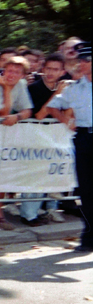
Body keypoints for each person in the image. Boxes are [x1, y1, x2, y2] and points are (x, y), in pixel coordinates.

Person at [46, 43, 92, 252]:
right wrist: (66, 120)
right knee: (86, 191)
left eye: (86, 60)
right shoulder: (75, 88)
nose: (82, 64)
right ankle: (89, 236)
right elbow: (53, 106)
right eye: (81, 60)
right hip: (83, 138)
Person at [0, 56, 34, 230]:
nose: (12, 75)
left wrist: (17, 116)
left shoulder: (21, 85)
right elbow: (3, 110)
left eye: (17, 72)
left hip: (6, 134)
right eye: (9, 70)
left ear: (23, 75)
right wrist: (5, 89)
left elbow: (27, 110)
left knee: (3, 171)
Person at [17, 53, 69, 226]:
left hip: (56, 138)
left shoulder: (67, 88)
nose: (51, 73)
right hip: (36, 136)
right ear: (43, 69)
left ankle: (48, 210)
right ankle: (28, 214)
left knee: (51, 174)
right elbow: (39, 115)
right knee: (35, 176)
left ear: (62, 72)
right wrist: (57, 95)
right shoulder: (34, 89)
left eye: (55, 69)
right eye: (48, 69)